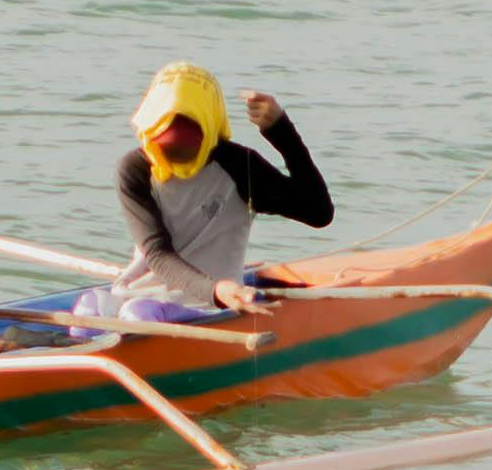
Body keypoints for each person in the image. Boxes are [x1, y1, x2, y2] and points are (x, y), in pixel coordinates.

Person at [104, 64, 333, 322]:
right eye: (164, 142)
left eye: (188, 141)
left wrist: (281, 132)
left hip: (207, 307)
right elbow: (157, 252)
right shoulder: (134, 169)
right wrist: (215, 289)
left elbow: (318, 212)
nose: (174, 153)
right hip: (141, 295)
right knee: (91, 314)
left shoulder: (239, 166)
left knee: (138, 315)